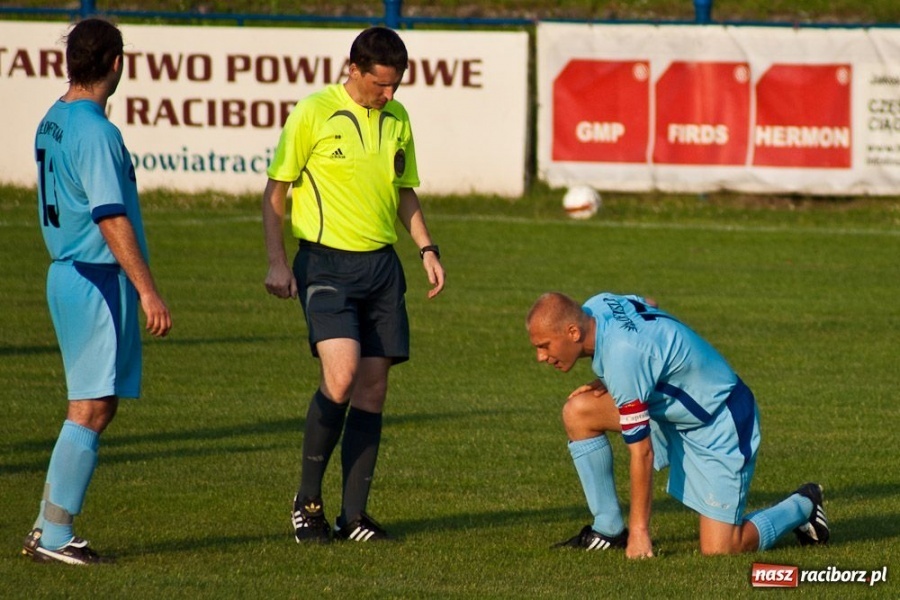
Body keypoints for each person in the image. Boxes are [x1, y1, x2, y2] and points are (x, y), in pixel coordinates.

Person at [262, 26, 445, 543]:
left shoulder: (398, 118)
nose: (389, 93)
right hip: (325, 266)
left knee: (373, 388)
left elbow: (404, 190)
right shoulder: (313, 112)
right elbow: (276, 191)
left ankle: (354, 517)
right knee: (340, 377)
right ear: (354, 70)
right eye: (380, 84)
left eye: (396, 85)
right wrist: (278, 262)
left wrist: (426, 248)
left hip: (381, 268)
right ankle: (307, 502)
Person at [22, 18, 172, 565]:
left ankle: (46, 527)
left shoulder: (54, 119)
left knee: (90, 405)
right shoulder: (97, 131)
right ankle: (56, 534)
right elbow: (109, 216)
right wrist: (148, 291)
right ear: (116, 63)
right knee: (92, 407)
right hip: (95, 277)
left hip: (67, 272)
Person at [526, 291, 828, 557]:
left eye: (544, 346)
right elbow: (649, 304)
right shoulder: (598, 304)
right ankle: (608, 530)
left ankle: (804, 505)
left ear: (573, 332)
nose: (540, 357)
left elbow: (642, 453)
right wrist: (621, 377)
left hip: (720, 421)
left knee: (722, 549)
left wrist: (640, 532)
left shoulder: (622, 353)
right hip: (673, 411)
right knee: (579, 411)